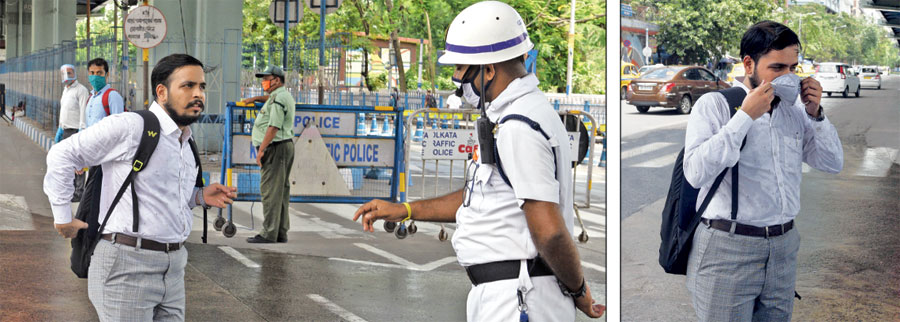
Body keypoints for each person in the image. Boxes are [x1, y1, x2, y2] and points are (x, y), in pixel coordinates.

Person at [353, 1, 604, 320]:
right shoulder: (515, 118)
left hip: (520, 298)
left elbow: (550, 232)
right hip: (509, 293)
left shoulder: (520, 127)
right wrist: (406, 210)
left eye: (460, 68)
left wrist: (579, 291)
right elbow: (481, 198)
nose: (456, 78)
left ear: (488, 70)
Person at [44, 54, 237, 321]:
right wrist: (63, 217)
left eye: (202, 86)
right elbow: (62, 154)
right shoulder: (131, 126)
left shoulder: (185, 140)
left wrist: (199, 196)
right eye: (188, 86)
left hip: (174, 266)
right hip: (126, 265)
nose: (198, 94)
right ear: (162, 92)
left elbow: (162, 194)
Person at [683, 21, 843, 321]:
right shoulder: (715, 105)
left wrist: (816, 114)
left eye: (793, 68)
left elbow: (832, 163)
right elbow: (694, 173)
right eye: (777, 68)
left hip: (783, 246)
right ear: (749, 64)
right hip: (727, 247)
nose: (788, 77)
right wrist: (744, 117)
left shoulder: (795, 112)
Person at [241, 65, 296, 244]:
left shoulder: (278, 98)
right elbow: (270, 100)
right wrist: (256, 98)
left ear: (277, 80)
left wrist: (261, 150)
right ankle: (280, 232)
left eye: (266, 79)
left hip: (275, 148)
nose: (263, 82)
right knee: (280, 191)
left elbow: (273, 127)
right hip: (282, 147)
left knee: (270, 191)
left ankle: (268, 233)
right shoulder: (280, 96)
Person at [55, 64, 91, 201]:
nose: (67, 76)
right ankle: (70, 189)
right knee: (68, 162)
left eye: (69, 73)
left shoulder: (81, 90)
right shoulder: (66, 90)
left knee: (78, 163)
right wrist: (60, 128)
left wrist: (82, 129)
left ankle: (79, 192)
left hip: (76, 130)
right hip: (65, 130)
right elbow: (64, 110)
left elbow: (83, 111)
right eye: (64, 73)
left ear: (74, 73)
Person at [84, 58, 125, 128]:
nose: (95, 77)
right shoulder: (91, 97)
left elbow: (118, 126)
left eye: (99, 73)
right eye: (92, 73)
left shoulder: (112, 96)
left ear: (107, 74)